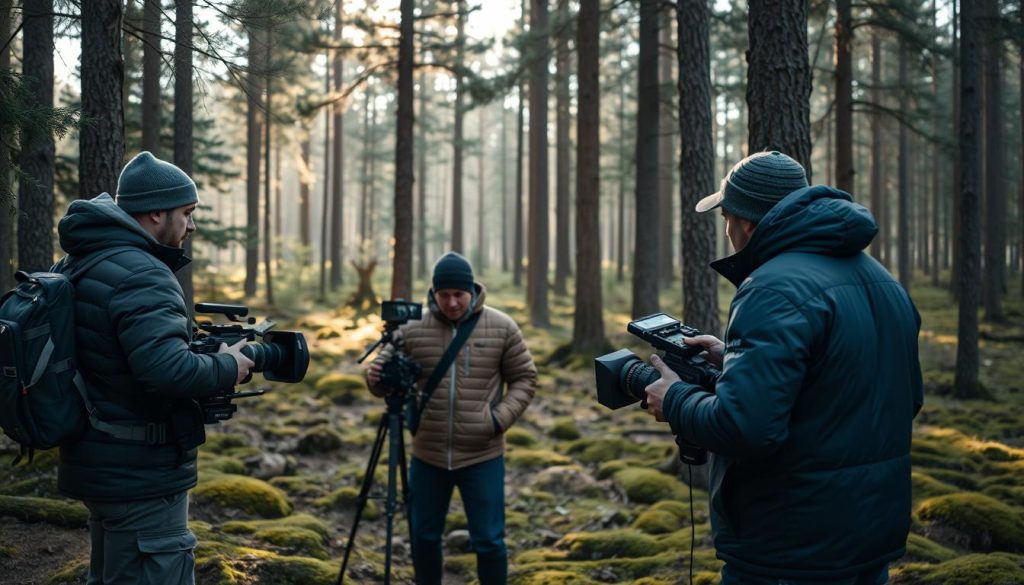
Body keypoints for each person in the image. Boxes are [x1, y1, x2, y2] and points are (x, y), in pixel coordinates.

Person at [644, 151, 923, 585]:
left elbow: (746, 427)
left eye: (728, 217)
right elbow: (890, 396)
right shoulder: (882, 280)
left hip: (789, 548)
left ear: (748, 223)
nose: (726, 229)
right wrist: (734, 359)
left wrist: (675, 398)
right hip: (868, 534)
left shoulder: (772, 288)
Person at [52, 151, 254, 585]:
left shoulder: (84, 260)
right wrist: (229, 364)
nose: (192, 226)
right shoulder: (142, 273)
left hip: (98, 460)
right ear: (156, 212)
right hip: (140, 472)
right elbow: (168, 372)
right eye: (187, 212)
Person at [367, 251, 537, 585]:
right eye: (444, 295)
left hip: (482, 454)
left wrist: (497, 420)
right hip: (427, 455)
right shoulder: (412, 328)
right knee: (424, 536)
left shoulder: (501, 326)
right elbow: (385, 378)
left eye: (458, 294)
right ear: (434, 293)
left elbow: (525, 378)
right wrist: (374, 377)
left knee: (488, 541)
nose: (452, 303)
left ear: (472, 291)